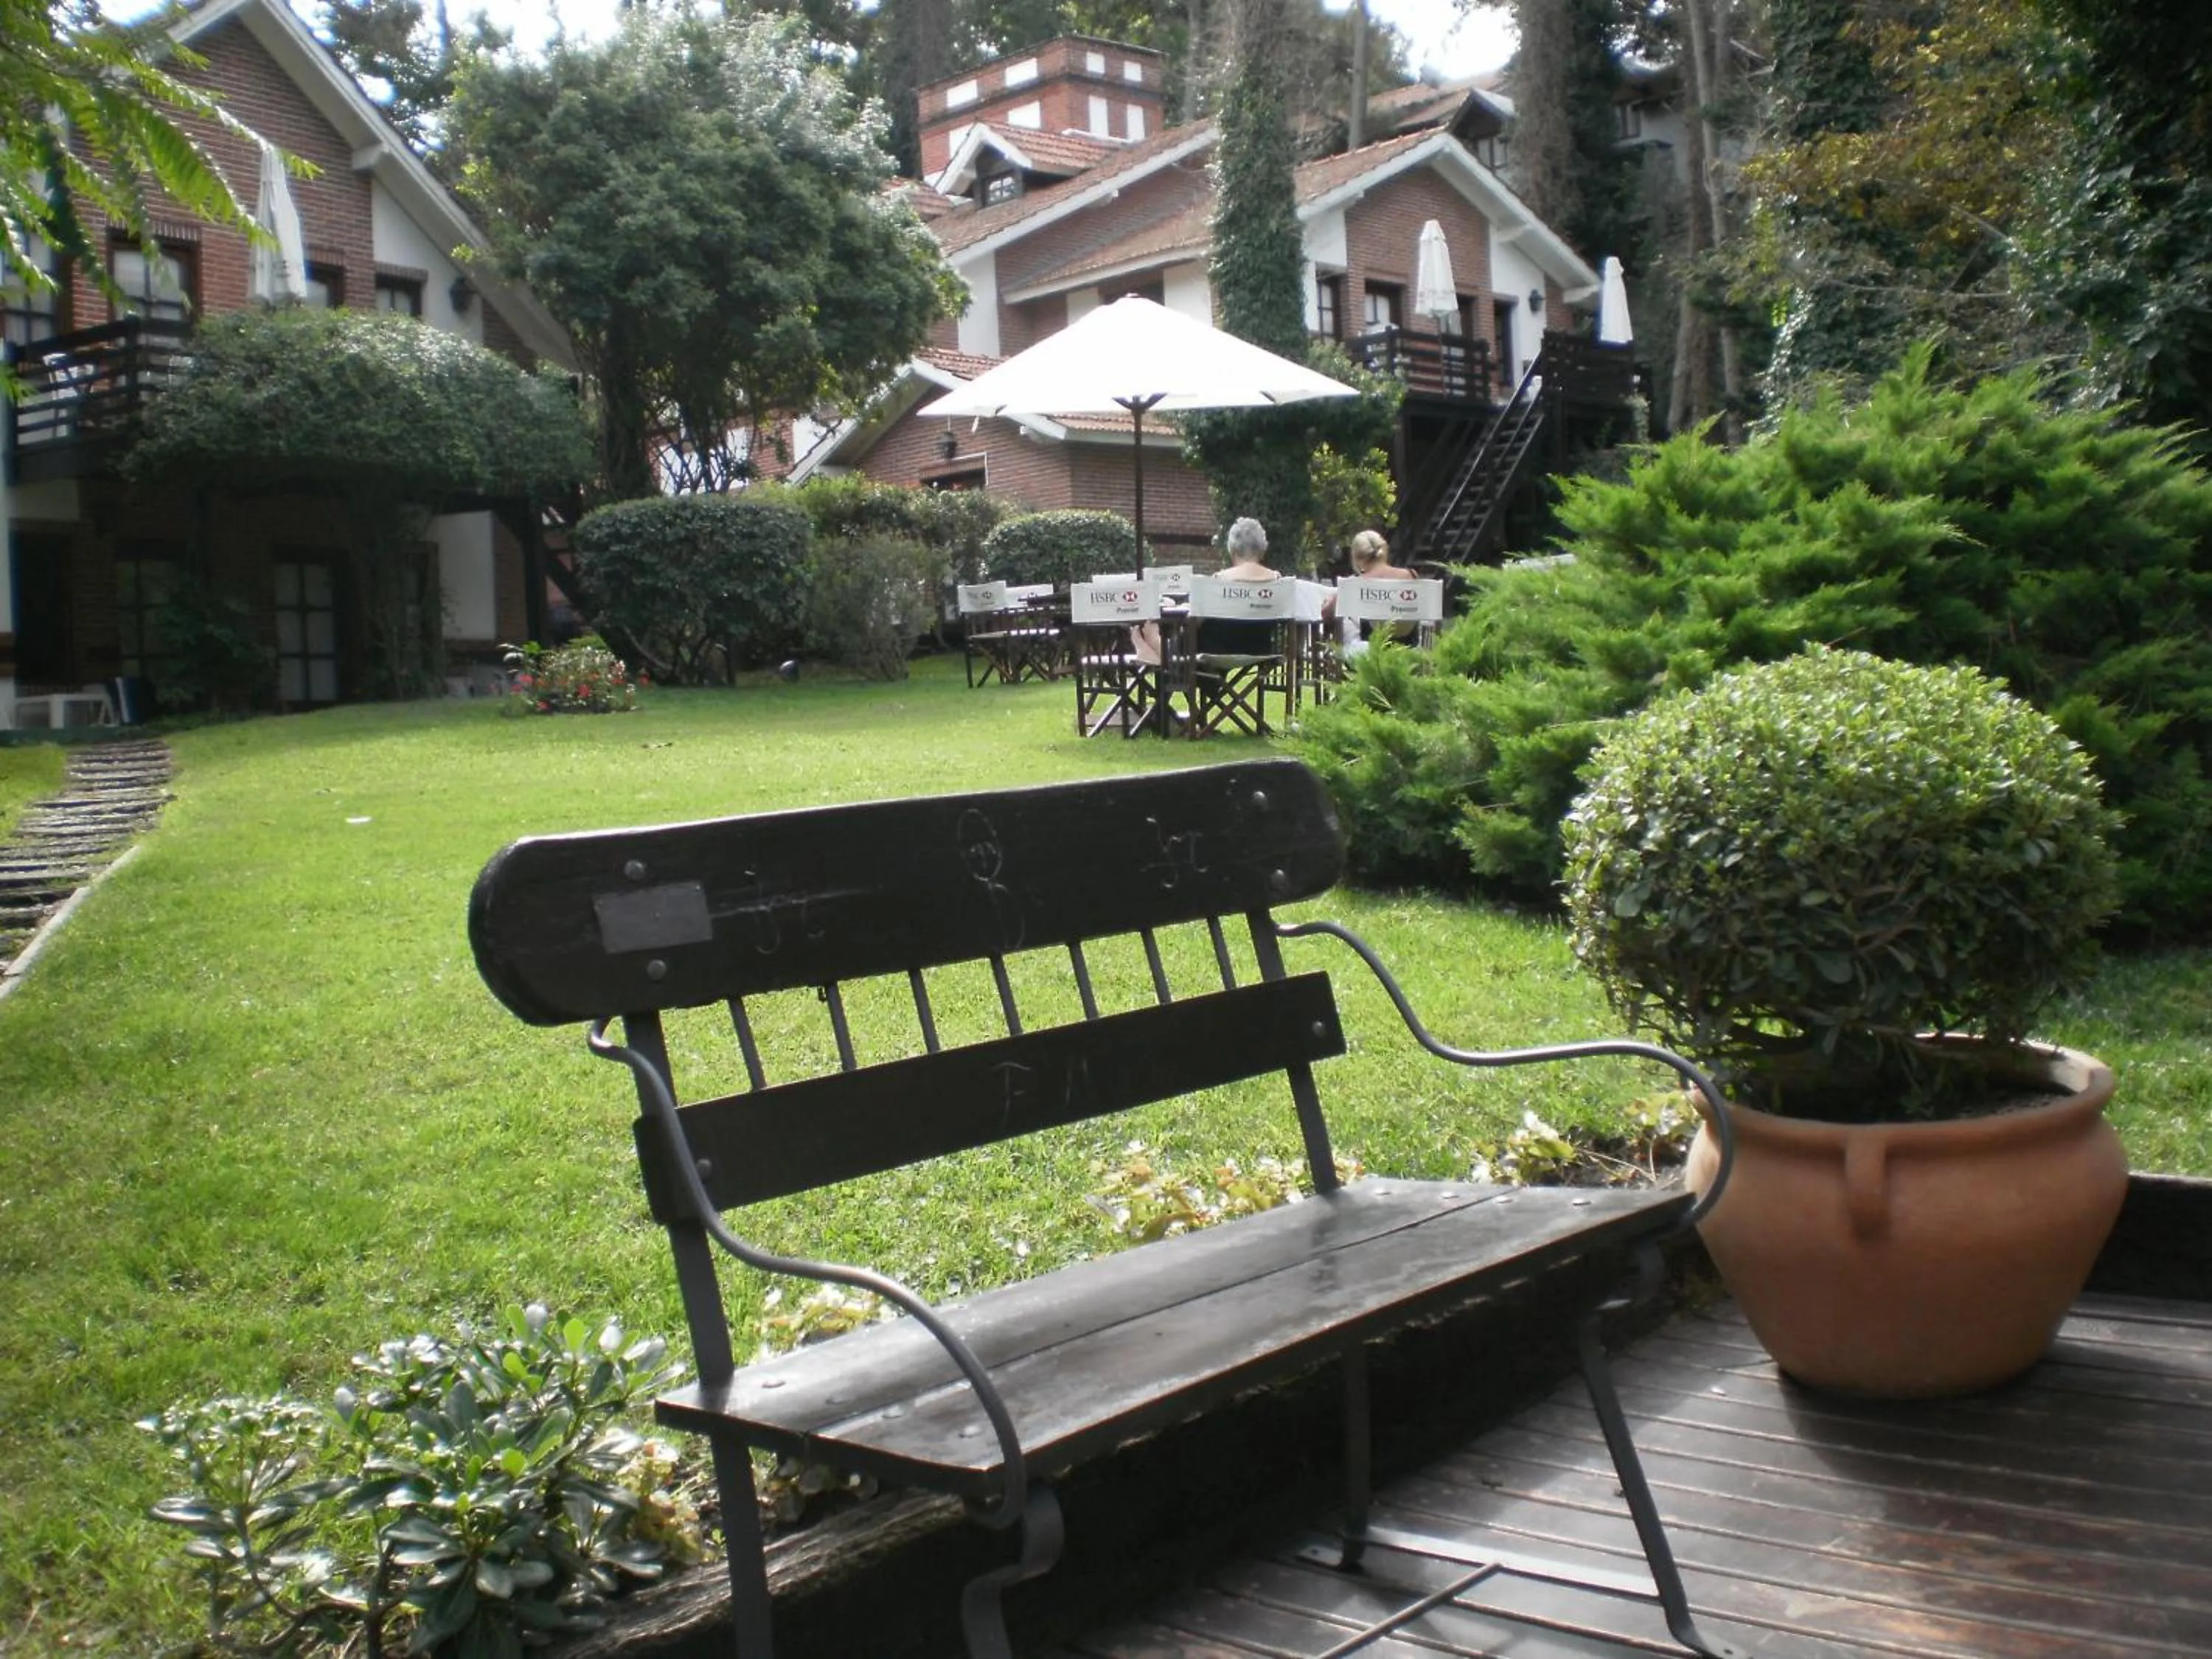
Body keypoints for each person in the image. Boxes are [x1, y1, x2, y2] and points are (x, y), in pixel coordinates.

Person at [1131, 516, 1279, 663]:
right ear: (1262, 550)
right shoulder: (1277, 581)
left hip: (1217, 650)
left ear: (1233, 550)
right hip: (1260, 649)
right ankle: (1159, 655)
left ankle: (1159, 649)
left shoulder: (1219, 580)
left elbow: (1196, 619)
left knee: (1194, 635)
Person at [1323, 528, 1418, 653]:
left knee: (1346, 623)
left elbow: (1327, 613)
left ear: (1356, 558)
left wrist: (1330, 601)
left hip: (1371, 654)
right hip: (1411, 650)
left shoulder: (1355, 584)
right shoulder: (1411, 576)